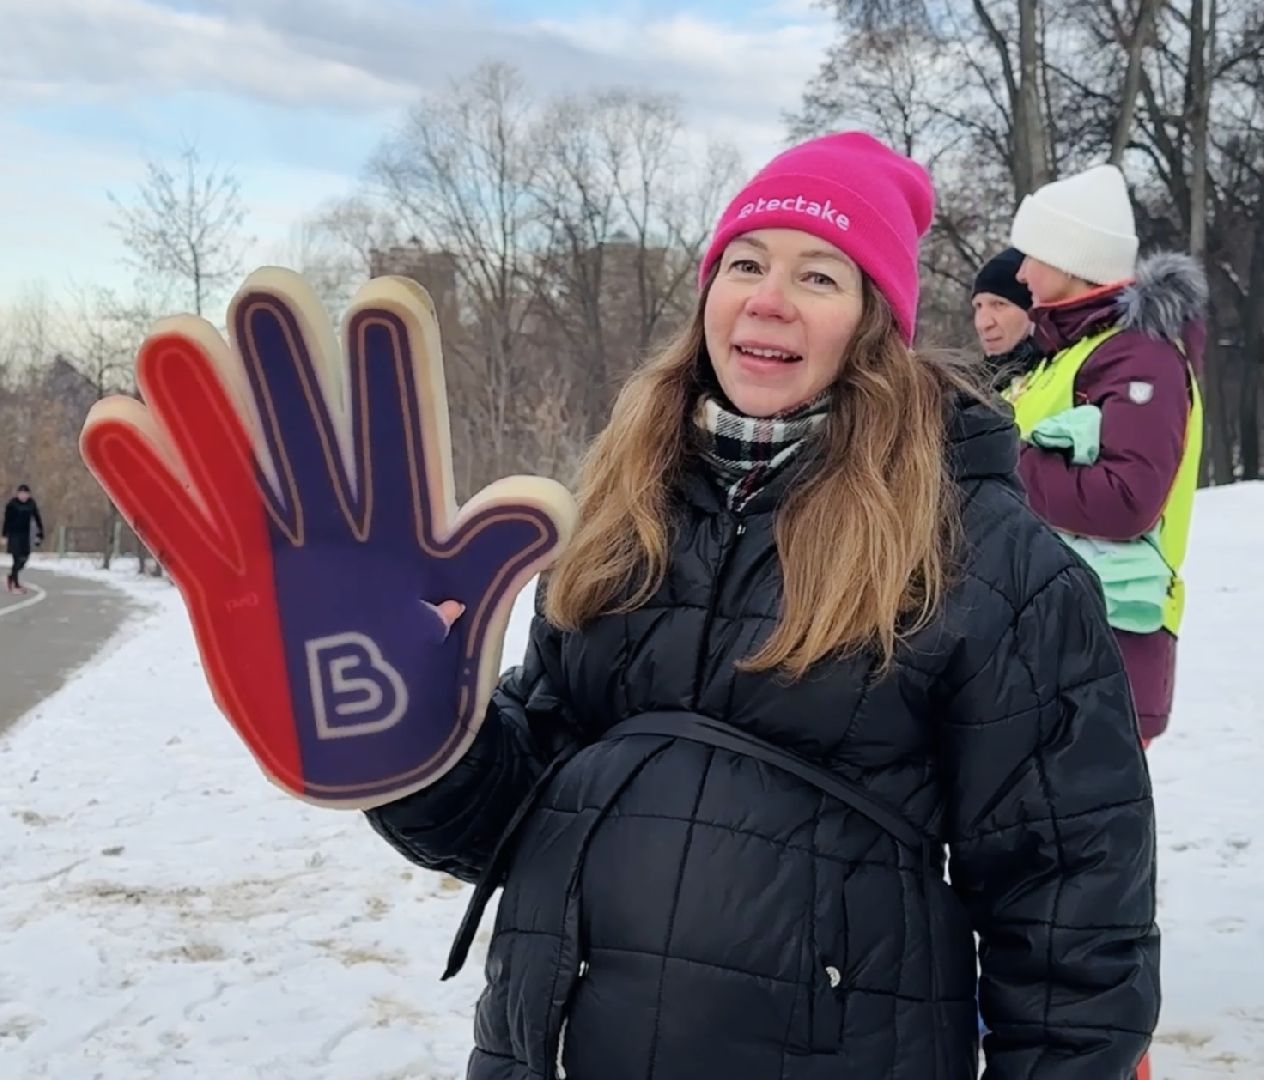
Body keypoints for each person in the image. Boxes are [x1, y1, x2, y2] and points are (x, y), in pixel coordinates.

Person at [364, 132, 1159, 1079]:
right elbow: (519, 807)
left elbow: (1071, 905)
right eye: (747, 263)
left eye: (820, 276)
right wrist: (416, 736)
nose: (769, 298)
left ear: (872, 320)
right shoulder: (618, 515)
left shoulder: (981, 557)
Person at [1005, 162, 1206, 754]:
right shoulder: (1069, 355)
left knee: (1082, 841)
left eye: (1031, 254)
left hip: (1108, 641)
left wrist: (995, 462)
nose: (1020, 272)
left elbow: (1127, 500)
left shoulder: (1138, 357)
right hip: (1051, 632)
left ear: (1069, 261)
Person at [971, 246, 1041, 390]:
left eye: (999, 304)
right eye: (978, 306)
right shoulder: (971, 389)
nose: (983, 323)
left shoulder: (1058, 372)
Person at [1, 483, 44, 593]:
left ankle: (10, 577)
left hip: (25, 535)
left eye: (26, 494)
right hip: (13, 534)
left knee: (24, 559)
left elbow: (37, 518)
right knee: (16, 558)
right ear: (18, 494)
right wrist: (4, 535)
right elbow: (6, 521)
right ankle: (16, 585)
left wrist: (40, 534)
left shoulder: (31, 504)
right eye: (22, 494)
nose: (24, 496)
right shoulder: (12, 504)